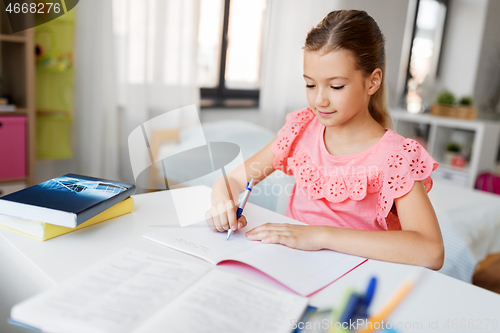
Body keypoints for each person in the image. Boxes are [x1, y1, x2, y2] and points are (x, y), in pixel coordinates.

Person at [205, 10, 444, 270]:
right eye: (310, 85)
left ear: (372, 81)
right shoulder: (301, 128)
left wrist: (320, 235)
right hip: (287, 266)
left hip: (354, 277)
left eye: (336, 86)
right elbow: (235, 180)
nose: (320, 100)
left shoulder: (396, 156)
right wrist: (222, 202)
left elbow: (430, 251)